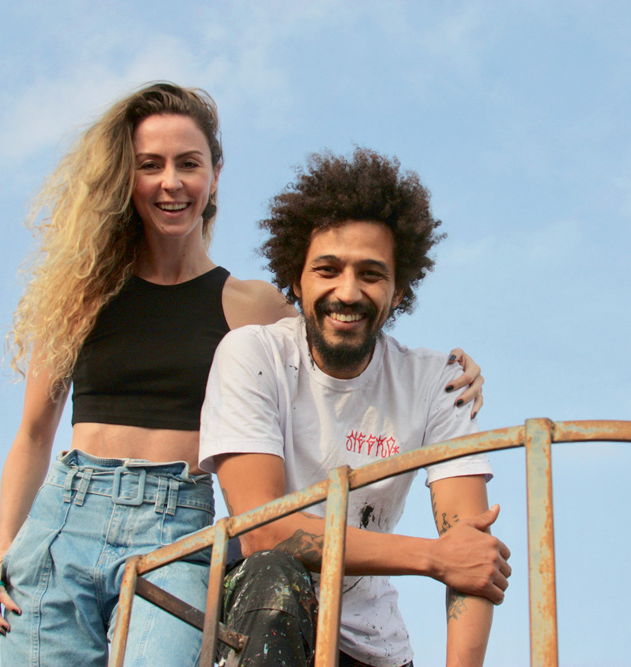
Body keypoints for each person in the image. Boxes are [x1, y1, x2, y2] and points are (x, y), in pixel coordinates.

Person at [0, 83, 485, 667]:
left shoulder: (250, 305)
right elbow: (34, 435)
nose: (171, 182)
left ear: (215, 174)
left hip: (177, 529)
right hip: (65, 518)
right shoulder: (80, 296)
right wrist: (3, 549)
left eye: (188, 164)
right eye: (150, 165)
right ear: (127, 176)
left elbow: (340, 331)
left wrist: (457, 373)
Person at [199, 148, 511, 667]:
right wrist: (434, 558)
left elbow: (473, 555)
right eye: (327, 269)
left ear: (399, 289)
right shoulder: (255, 355)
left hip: (374, 647)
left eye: (371, 274)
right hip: (263, 624)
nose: (348, 291)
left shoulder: (437, 382)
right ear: (296, 280)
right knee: (273, 572)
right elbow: (262, 529)